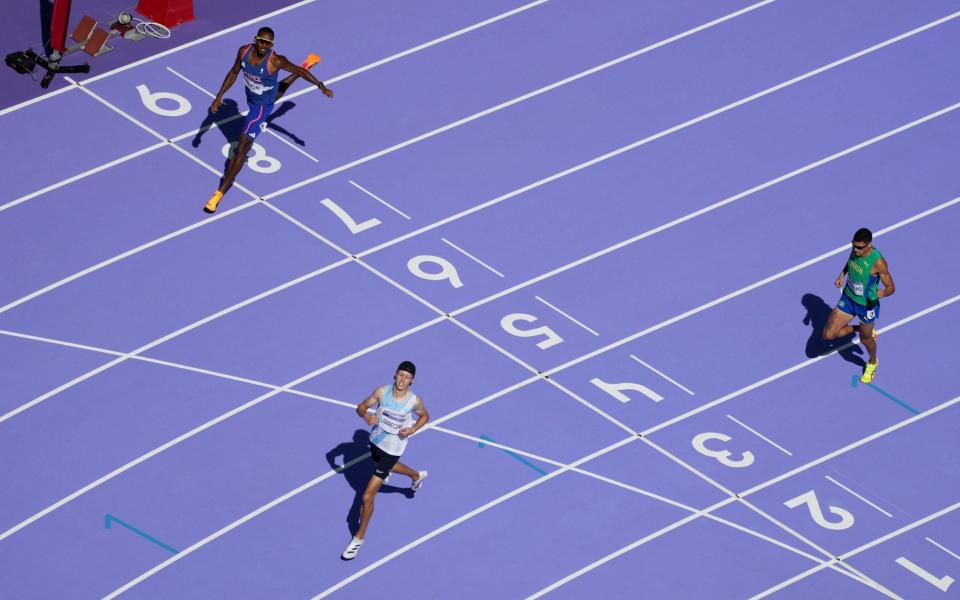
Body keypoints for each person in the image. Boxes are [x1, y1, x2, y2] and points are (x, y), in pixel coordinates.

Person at [204, 26, 333, 213]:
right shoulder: (244, 51)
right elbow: (233, 73)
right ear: (255, 40)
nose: (264, 46)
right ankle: (307, 63)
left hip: (260, 108)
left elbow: (297, 72)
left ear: (272, 44)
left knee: (242, 147)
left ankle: (218, 194)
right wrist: (219, 96)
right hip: (256, 96)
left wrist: (321, 86)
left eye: (268, 43)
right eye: (262, 41)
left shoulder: (276, 60)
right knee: (277, 91)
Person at [341, 361, 430, 561]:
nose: (402, 379)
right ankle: (416, 476)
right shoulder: (382, 392)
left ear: (412, 381)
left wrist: (413, 429)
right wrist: (365, 416)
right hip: (375, 442)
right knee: (382, 466)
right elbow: (361, 407)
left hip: (394, 449)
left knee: (366, 496)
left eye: (407, 377)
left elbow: (425, 416)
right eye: (400, 375)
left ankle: (358, 538)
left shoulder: (414, 401)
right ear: (394, 375)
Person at [822, 228, 895, 383]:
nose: (855, 250)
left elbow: (891, 288)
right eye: (853, 246)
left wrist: (878, 294)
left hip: (866, 307)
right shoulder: (856, 251)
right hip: (848, 298)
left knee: (865, 339)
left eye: (859, 247)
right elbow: (850, 263)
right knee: (828, 335)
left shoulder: (878, 263)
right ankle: (858, 328)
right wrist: (841, 275)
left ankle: (873, 362)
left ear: (869, 244)